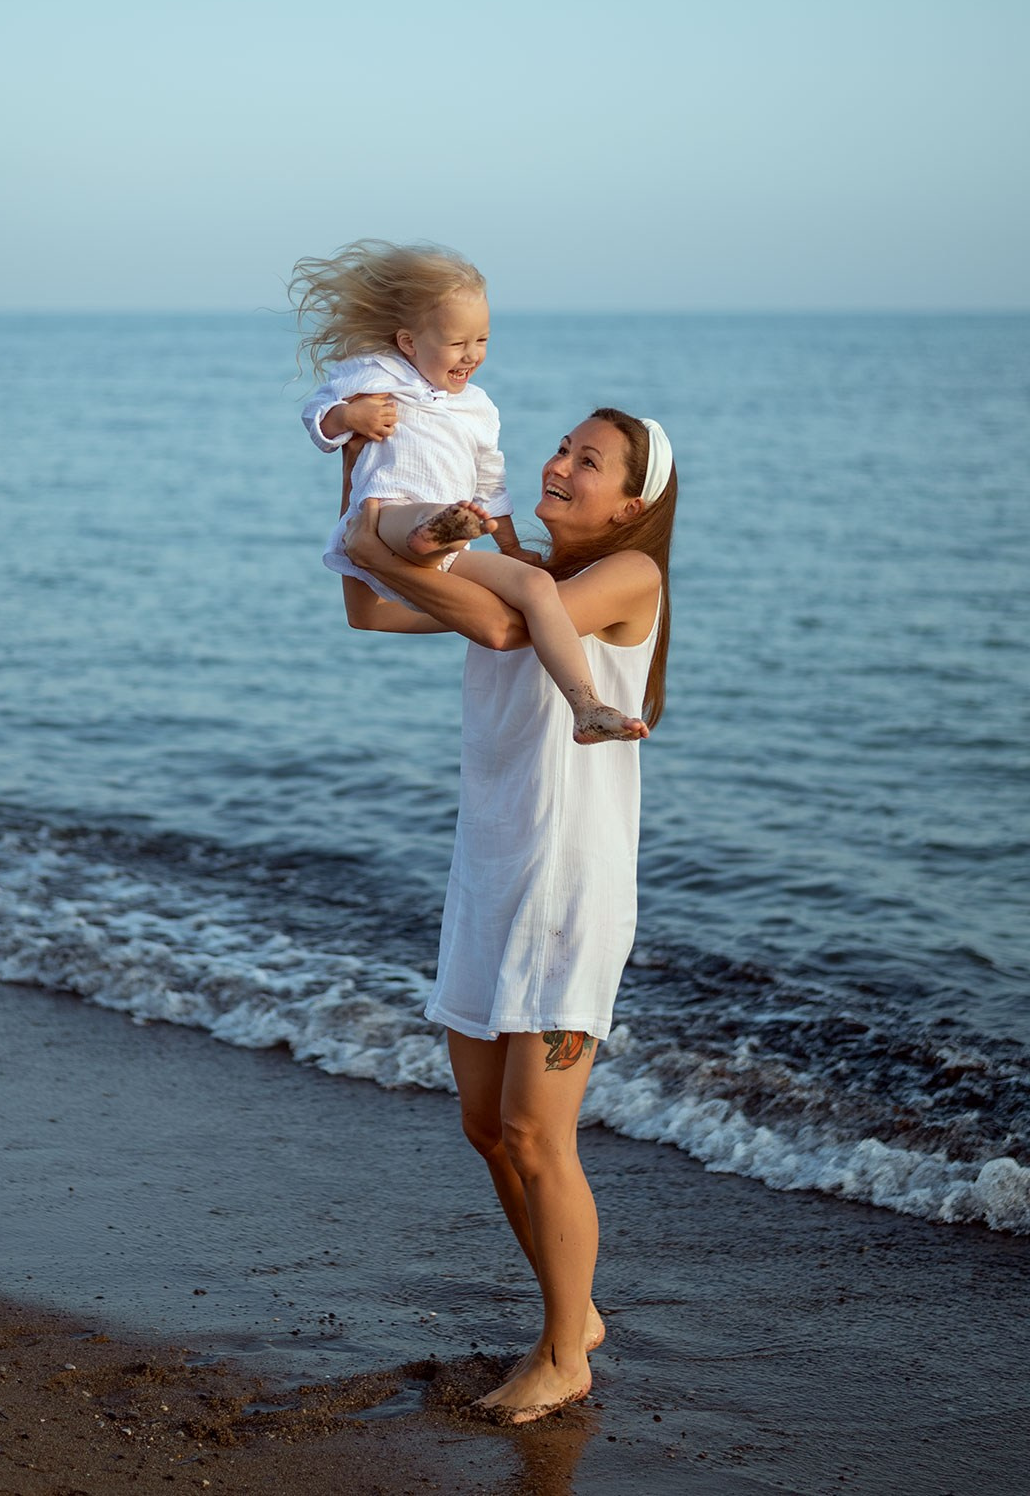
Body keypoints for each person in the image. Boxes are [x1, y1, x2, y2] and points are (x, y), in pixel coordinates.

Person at [340, 408, 676, 1424]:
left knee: (539, 1131)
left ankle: (563, 1352)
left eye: (589, 460)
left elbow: (495, 619)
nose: (559, 463)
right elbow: (367, 610)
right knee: (488, 1127)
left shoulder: (627, 580)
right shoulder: (523, 570)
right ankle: (576, 1317)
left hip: (571, 886)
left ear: (633, 502)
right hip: (488, 877)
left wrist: (400, 538)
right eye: (562, 447)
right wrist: (362, 485)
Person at [292, 240, 645, 743]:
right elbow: (316, 416)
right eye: (458, 342)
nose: (472, 355)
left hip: (451, 548)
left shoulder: (478, 409)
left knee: (537, 587)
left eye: (482, 340)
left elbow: (490, 484)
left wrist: (509, 547)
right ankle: (434, 530)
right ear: (410, 343)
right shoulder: (376, 373)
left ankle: (585, 706)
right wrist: (349, 418)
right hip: (386, 516)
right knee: (433, 517)